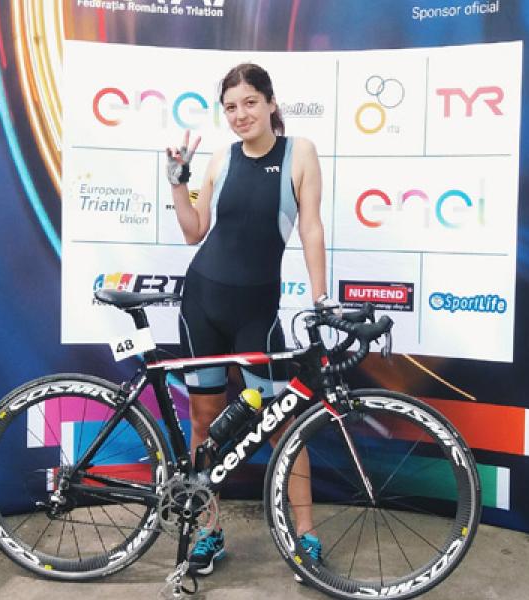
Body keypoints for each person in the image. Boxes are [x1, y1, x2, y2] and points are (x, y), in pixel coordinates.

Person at [165, 62, 327, 577]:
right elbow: (194, 231)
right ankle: (208, 532)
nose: (241, 114)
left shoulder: (300, 152)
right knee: (203, 423)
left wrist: (321, 299)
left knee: (283, 425)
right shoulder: (221, 158)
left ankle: (306, 535)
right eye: (231, 107)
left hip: (257, 312)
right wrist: (177, 183)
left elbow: (311, 227)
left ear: (271, 103)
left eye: (250, 103)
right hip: (203, 304)